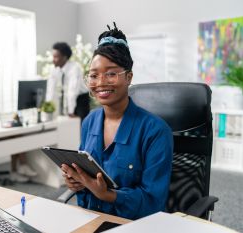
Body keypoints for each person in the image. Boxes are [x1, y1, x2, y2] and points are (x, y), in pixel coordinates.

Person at [60, 23, 173, 220]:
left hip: (133, 224)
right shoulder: (89, 121)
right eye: (94, 75)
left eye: (111, 73)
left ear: (129, 77)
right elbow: (85, 177)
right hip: (89, 218)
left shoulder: (156, 131)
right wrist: (76, 181)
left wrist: (108, 195)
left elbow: (154, 202)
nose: (101, 81)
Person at [46, 42, 90, 121]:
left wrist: (71, 111)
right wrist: (47, 107)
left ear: (64, 57)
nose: (53, 60)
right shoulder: (54, 69)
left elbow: (73, 91)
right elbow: (50, 89)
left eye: (56, 57)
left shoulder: (75, 68)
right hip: (68, 97)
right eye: (53, 56)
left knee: (81, 125)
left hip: (81, 99)